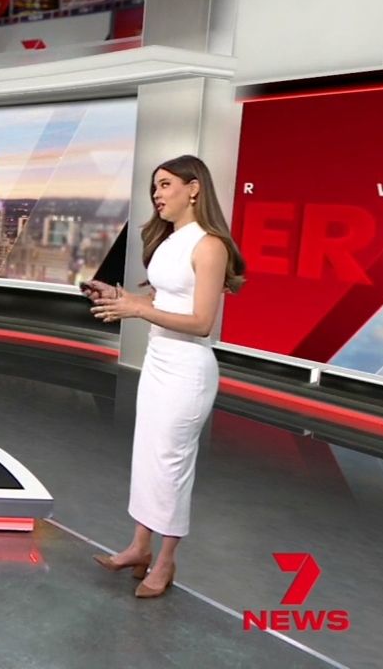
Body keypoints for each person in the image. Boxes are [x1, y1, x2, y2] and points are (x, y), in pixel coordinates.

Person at [83, 154, 245, 599]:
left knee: (172, 462)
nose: (157, 194)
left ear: (194, 188)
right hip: (158, 361)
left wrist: (136, 310)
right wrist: (120, 297)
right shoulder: (170, 240)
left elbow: (202, 322)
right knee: (149, 456)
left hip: (188, 369)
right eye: (155, 186)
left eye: (166, 184)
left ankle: (167, 561)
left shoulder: (210, 245)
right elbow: (164, 302)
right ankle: (139, 547)